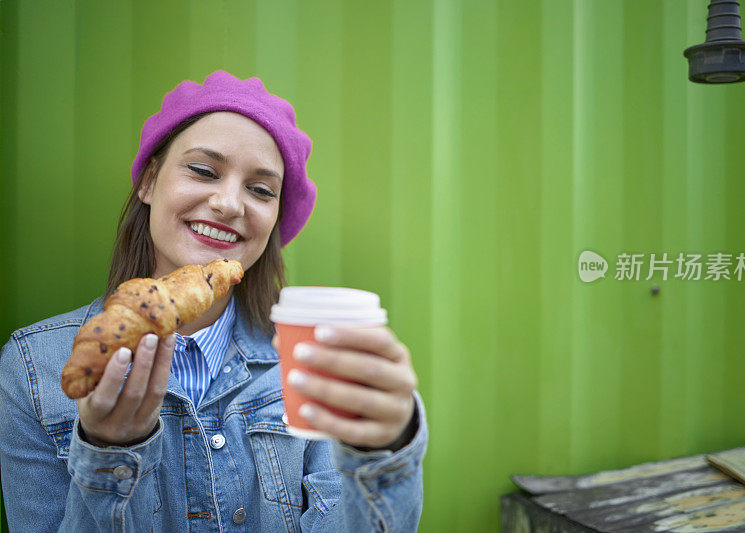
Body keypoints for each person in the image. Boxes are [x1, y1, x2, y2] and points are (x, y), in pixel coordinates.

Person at [0, 70, 427, 532]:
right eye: (203, 170)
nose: (228, 203)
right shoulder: (33, 368)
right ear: (148, 181)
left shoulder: (315, 361)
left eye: (261, 190)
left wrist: (385, 449)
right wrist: (108, 453)